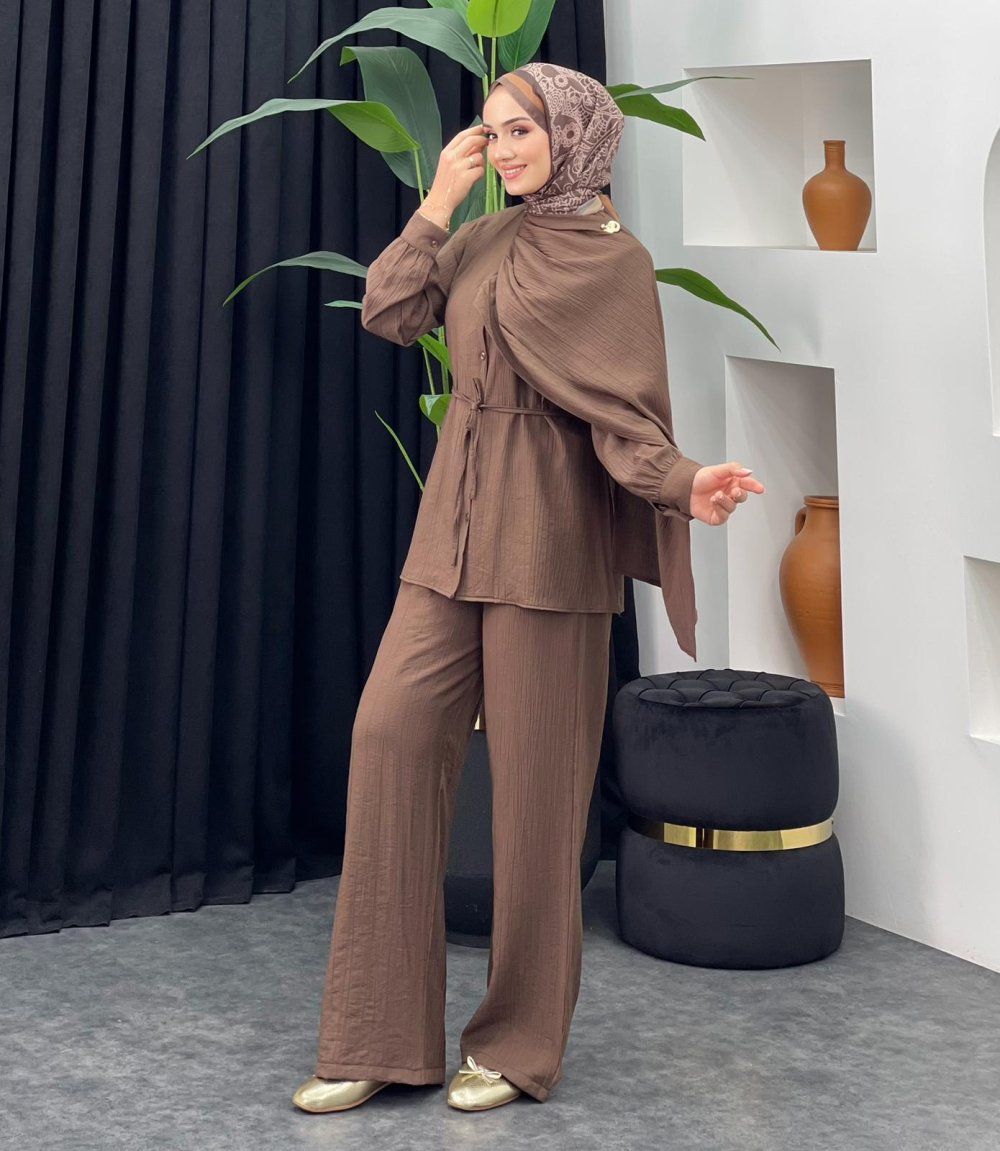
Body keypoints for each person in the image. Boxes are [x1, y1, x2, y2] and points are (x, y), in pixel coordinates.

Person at [292, 61, 765, 1116]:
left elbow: (627, 418)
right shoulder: (483, 236)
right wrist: (439, 201)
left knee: (540, 800)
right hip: (453, 531)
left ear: (576, 136)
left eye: (521, 132)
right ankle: (376, 1034)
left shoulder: (614, 260)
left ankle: (515, 1044)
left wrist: (687, 483)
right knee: (389, 737)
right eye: (492, 131)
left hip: (550, 547)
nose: (503, 149)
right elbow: (389, 311)